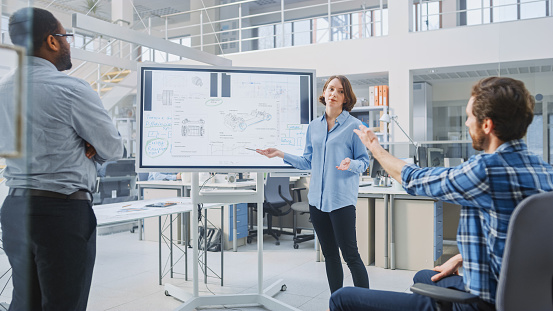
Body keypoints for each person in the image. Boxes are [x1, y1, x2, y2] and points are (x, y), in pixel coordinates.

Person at [328, 76, 553, 311]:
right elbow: (521, 238)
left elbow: (413, 179)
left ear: (487, 125)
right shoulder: (545, 171)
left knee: (341, 299)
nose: (466, 123)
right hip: (519, 296)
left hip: (480, 303)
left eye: (469, 117)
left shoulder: (486, 170)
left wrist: (374, 147)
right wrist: (462, 257)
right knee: (425, 276)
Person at [0, 7, 123, 311]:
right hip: (61, 212)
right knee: (63, 303)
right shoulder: (71, 89)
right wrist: (89, 144)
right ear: (52, 41)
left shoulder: (2, 90)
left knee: (24, 301)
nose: (69, 44)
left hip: (14, 209)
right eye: (66, 36)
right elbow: (112, 148)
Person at [257, 75, 371, 293]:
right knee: (329, 255)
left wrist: (351, 163)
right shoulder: (314, 127)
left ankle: (364, 302)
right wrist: (281, 154)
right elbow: (307, 161)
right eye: (330, 89)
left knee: (351, 255)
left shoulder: (355, 126)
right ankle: (336, 301)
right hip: (317, 200)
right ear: (324, 93)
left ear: (346, 97)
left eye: (339, 91)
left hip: (341, 200)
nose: (334, 94)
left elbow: (365, 163)